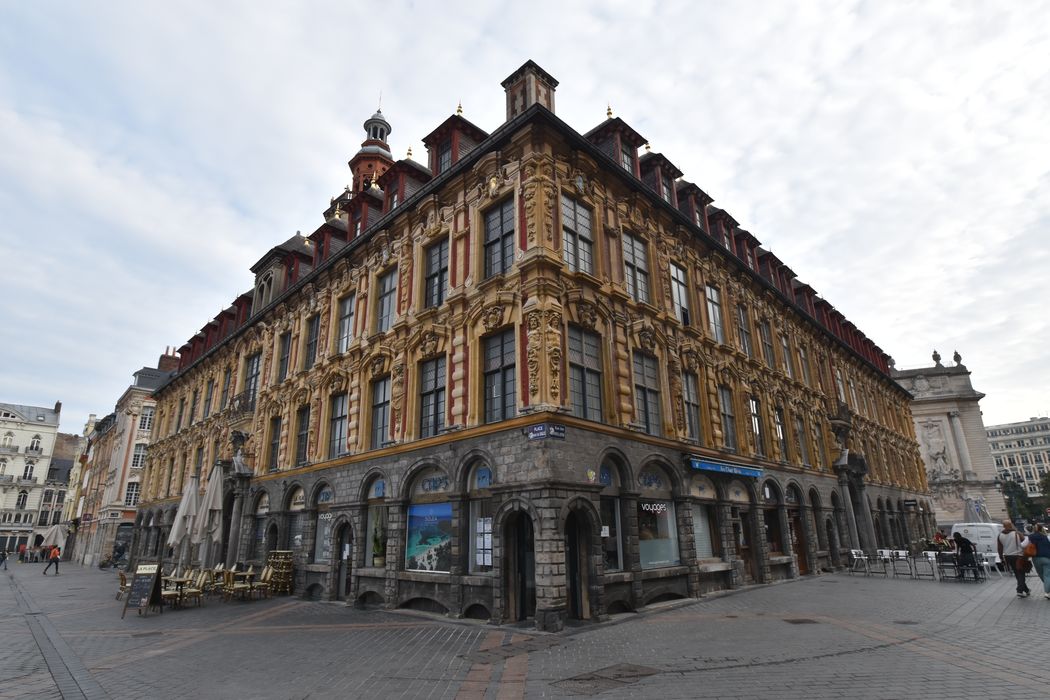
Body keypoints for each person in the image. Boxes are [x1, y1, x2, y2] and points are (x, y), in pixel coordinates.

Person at [997, 519, 1030, 597]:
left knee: (1017, 573)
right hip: (1018, 556)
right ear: (1010, 525)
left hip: (1008, 557)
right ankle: (1019, 591)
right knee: (1021, 573)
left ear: (1004, 526)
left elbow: (999, 548)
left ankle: (1026, 590)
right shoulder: (1017, 533)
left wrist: (1001, 557)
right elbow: (1025, 543)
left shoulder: (1000, 535)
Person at [1021, 523, 1050, 599]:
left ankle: (1048, 591)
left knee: (1041, 575)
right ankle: (1047, 592)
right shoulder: (1046, 537)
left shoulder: (1030, 537)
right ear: (1042, 529)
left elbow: (1023, 545)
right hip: (1047, 558)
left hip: (1036, 558)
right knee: (1047, 575)